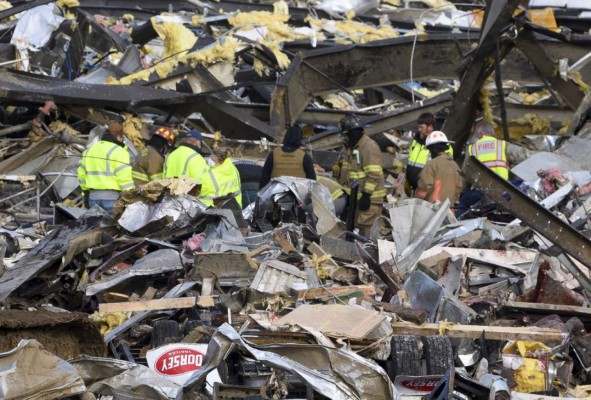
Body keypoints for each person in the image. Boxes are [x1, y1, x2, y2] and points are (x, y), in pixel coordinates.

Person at [337, 114, 386, 236]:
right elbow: (348, 172)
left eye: (347, 134)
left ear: (353, 132)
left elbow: (374, 174)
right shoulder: (352, 147)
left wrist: (366, 195)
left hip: (370, 200)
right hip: (355, 198)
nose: (345, 137)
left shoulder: (369, 147)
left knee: (366, 233)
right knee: (355, 231)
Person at [77, 121, 134, 214]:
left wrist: (85, 194)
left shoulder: (90, 150)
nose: (122, 140)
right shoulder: (119, 151)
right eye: (122, 137)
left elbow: (81, 175)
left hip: (93, 199)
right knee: (110, 227)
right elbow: (125, 178)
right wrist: (131, 198)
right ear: (118, 136)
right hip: (112, 200)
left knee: (96, 227)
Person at [456, 123, 509, 217]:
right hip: (502, 190)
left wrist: (463, 192)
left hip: (480, 191)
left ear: (481, 134)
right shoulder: (502, 145)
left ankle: (455, 226)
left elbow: (466, 174)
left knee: (463, 203)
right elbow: (522, 155)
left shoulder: (472, 148)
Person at [406, 112, 453, 192]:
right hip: (413, 189)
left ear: (430, 127)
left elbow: (444, 172)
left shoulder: (442, 146)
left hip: (427, 191)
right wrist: (407, 179)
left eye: (421, 127)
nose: (419, 129)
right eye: (419, 127)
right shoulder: (415, 142)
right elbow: (410, 161)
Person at [259, 125, 316, 189]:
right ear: (299, 139)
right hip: (298, 195)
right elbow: (312, 182)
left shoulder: (273, 154)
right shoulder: (305, 157)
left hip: (275, 194)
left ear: (286, 137)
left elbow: (264, 178)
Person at [416, 131, 462, 205]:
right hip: (448, 208)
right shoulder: (455, 165)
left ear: (432, 149)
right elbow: (458, 188)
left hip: (432, 208)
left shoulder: (431, 164)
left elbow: (424, 187)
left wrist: (417, 199)